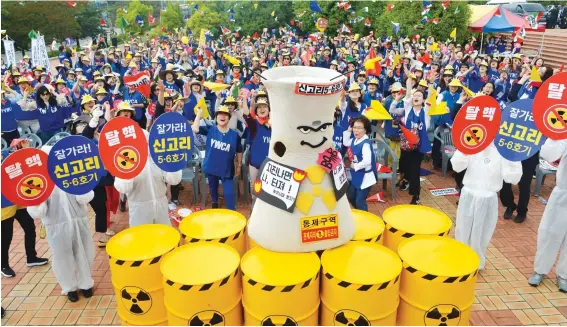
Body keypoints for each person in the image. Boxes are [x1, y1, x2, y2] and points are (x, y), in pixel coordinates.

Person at [27, 168, 95, 303]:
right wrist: (38, 200)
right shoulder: (40, 180)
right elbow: (37, 212)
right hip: (56, 226)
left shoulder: (71, 172)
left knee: (84, 252)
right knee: (62, 257)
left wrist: (81, 187)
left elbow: (86, 197)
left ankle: (86, 283)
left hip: (79, 222)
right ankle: (70, 287)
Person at [451, 143, 522, 269]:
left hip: (488, 196)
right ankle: (459, 258)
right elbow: (457, 165)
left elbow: (512, 177)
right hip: (469, 194)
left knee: (482, 232)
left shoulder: (505, 146)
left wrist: (512, 157)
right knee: (462, 228)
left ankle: (475, 263)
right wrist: (465, 150)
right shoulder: (476, 138)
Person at [113, 102, 182, 226]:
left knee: (165, 240)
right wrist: (128, 170)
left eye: (128, 115)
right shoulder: (120, 151)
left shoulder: (149, 145)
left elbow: (172, 179)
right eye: (123, 115)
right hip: (139, 210)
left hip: (161, 205)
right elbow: (123, 188)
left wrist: (174, 164)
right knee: (143, 242)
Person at [528, 139, 567, 292]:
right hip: (563, 193)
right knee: (550, 233)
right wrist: (558, 136)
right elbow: (547, 154)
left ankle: (564, 275)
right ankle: (540, 270)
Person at [195, 105, 243, 210]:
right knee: (213, 189)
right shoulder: (210, 130)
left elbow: (239, 150)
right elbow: (195, 128)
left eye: (225, 114)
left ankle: (231, 213)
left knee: (229, 194)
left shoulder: (235, 135)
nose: (222, 116)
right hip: (211, 167)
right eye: (220, 114)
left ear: (229, 118)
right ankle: (214, 203)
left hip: (227, 169)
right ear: (216, 117)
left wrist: (239, 165)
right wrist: (199, 114)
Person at [398, 79, 431, 204]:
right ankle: (405, 179)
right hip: (406, 145)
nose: (416, 97)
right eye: (415, 95)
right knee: (404, 166)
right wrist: (409, 84)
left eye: (419, 96)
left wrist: (431, 84)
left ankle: (415, 195)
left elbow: (430, 99)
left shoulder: (425, 112)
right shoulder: (408, 109)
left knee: (415, 170)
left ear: (423, 100)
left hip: (419, 146)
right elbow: (407, 96)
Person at [343, 116, 377, 211]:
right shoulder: (355, 140)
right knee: (351, 197)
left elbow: (367, 161)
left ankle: (365, 218)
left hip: (365, 177)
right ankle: (359, 213)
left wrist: (355, 165)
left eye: (359, 128)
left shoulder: (365, 143)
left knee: (360, 201)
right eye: (354, 127)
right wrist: (349, 131)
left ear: (365, 130)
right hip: (357, 174)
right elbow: (346, 142)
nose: (356, 130)